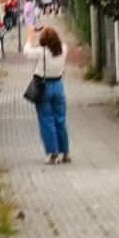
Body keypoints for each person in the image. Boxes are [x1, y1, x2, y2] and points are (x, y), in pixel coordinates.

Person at [24, 26, 70, 165]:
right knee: (60, 120)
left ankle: (53, 153)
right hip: (58, 85)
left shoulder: (41, 52)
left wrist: (30, 36)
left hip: (44, 86)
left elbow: (27, 52)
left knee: (46, 120)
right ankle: (65, 152)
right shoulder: (64, 48)